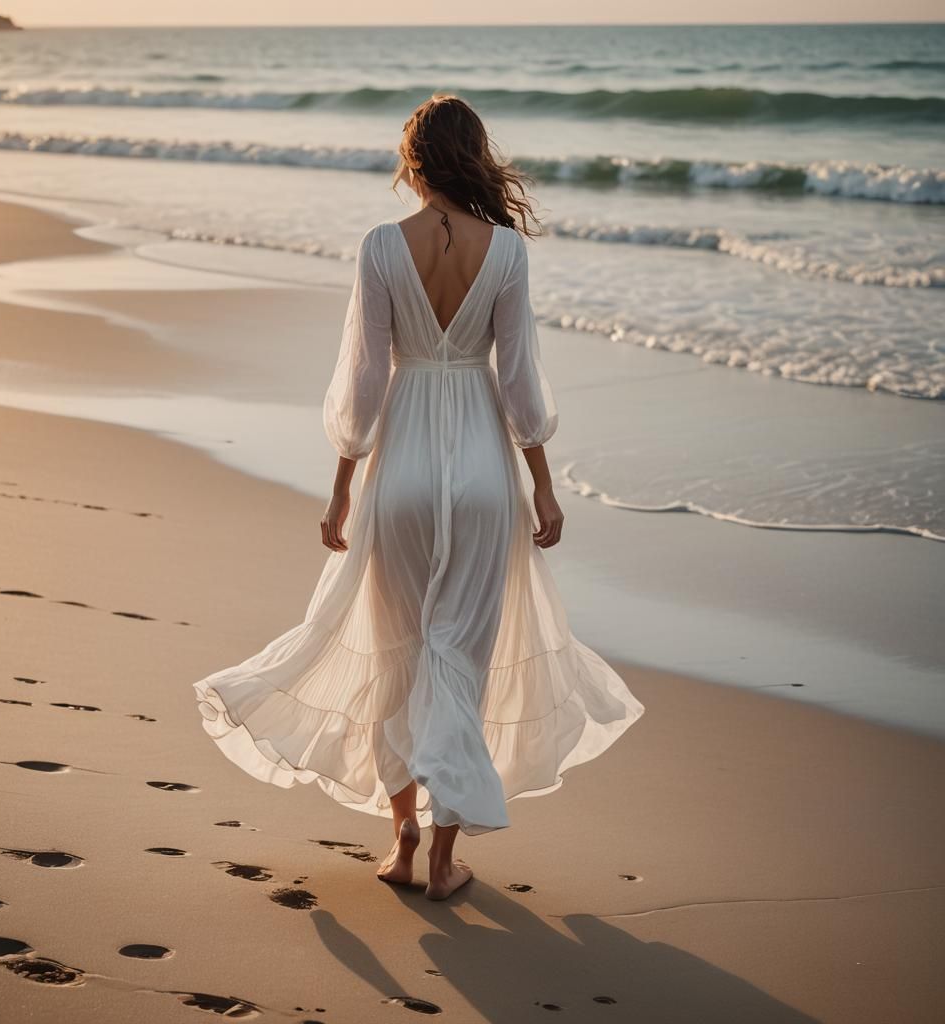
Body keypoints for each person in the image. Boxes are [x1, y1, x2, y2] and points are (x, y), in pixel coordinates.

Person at [192, 94, 645, 901]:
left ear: (414, 161)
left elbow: (363, 388)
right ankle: (443, 857)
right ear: (474, 156)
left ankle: (400, 841)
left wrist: (339, 494)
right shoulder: (505, 252)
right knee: (459, 662)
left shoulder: (379, 247)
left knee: (398, 657)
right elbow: (519, 389)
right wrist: (544, 487)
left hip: (398, 472)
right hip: (482, 473)